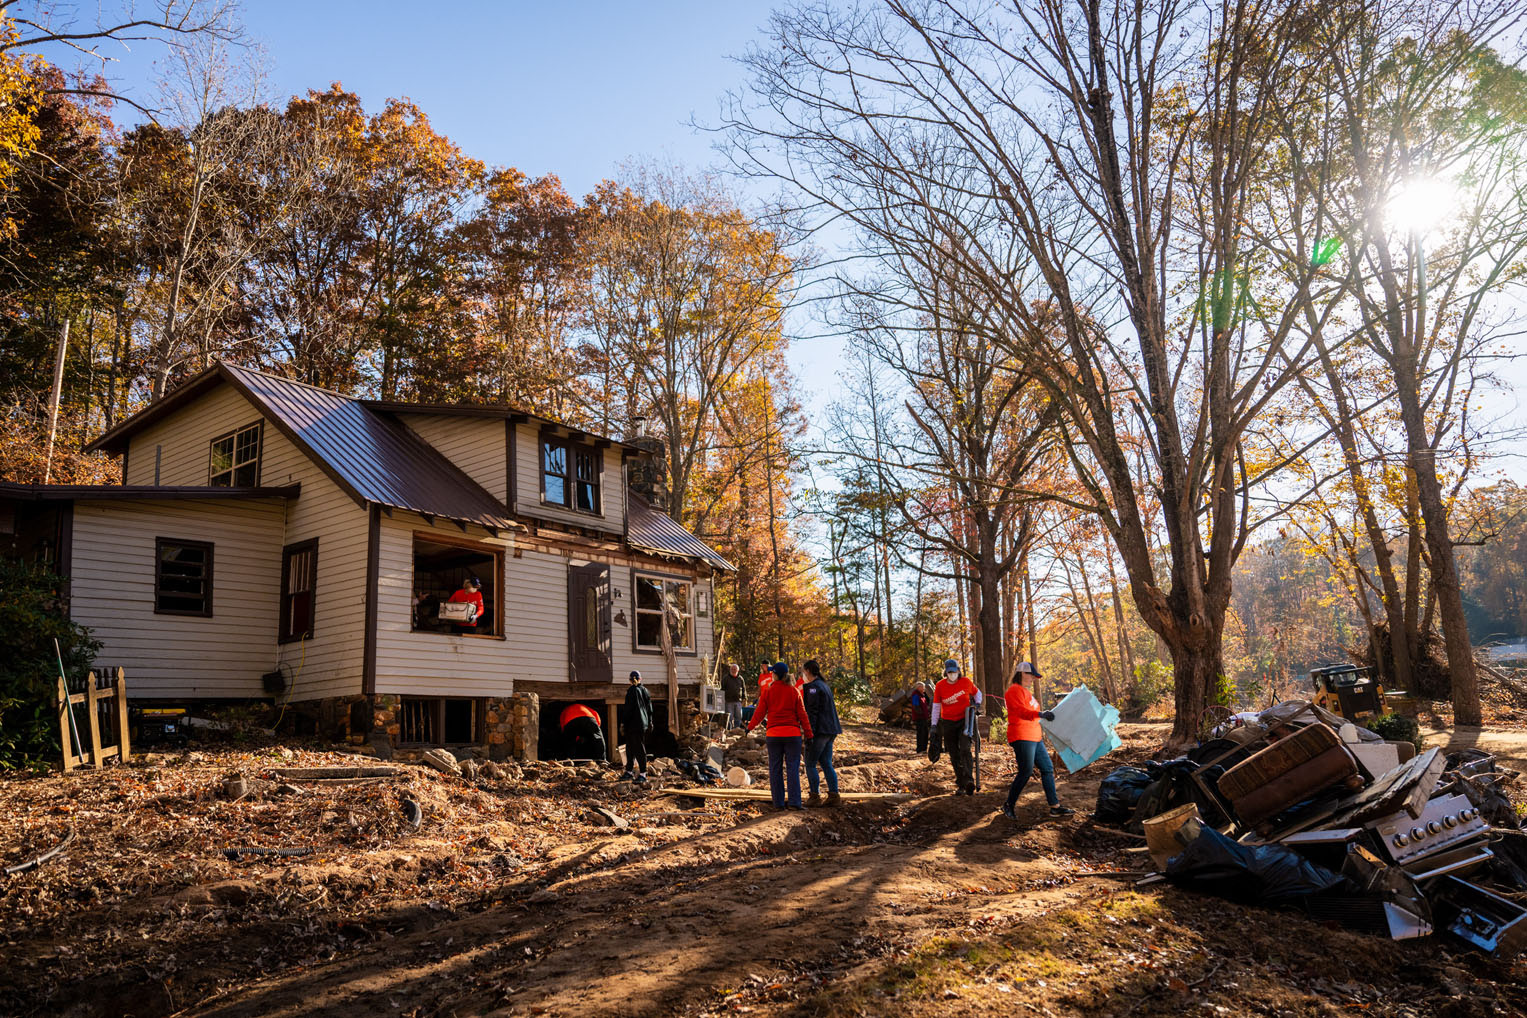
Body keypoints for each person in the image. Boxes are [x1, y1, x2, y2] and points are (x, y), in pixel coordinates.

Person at [1000, 662, 1075, 820]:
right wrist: (1041, 714)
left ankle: (1054, 807)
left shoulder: (1027, 693)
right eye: (1031, 675)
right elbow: (1021, 711)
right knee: (1026, 771)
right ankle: (1009, 804)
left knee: (1047, 768)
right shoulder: (1014, 691)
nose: (1033, 679)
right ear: (1022, 674)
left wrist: (1047, 718)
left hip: (1035, 736)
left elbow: (1033, 713)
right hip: (1021, 735)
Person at [747, 661, 813, 809]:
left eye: (772, 672)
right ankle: (795, 802)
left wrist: (749, 727)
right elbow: (803, 715)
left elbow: (759, 713)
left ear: (775, 675)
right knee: (792, 768)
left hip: (774, 735)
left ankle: (778, 803)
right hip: (792, 735)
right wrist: (809, 734)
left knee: (775, 769)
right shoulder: (794, 691)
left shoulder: (768, 692)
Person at [930, 658, 982, 795]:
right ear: (946, 673)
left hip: (965, 720)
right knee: (954, 753)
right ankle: (961, 783)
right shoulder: (940, 686)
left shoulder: (966, 682)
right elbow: (936, 707)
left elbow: (978, 694)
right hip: (948, 723)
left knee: (965, 748)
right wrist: (934, 725)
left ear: (958, 671)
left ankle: (969, 780)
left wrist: (977, 705)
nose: (952, 674)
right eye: (949, 672)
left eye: (954, 671)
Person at [800, 659, 842, 807]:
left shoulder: (813, 688)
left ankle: (814, 796)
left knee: (810, 763)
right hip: (831, 729)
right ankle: (833, 794)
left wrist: (809, 733)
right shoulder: (824, 685)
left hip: (820, 730)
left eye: (803, 671)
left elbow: (812, 712)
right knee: (825, 762)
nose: (802, 674)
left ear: (808, 671)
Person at [621, 670, 653, 783]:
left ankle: (643, 774)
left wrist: (623, 723)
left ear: (630, 680)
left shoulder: (631, 691)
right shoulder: (645, 691)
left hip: (632, 724)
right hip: (642, 724)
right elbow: (650, 709)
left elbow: (628, 710)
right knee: (633, 747)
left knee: (635, 748)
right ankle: (629, 771)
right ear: (640, 679)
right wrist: (650, 722)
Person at [721, 663, 747, 730]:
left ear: (738, 670)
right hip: (728, 701)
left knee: (738, 716)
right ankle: (729, 730)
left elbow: (744, 689)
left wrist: (745, 698)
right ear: (730, 670)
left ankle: (736, 729)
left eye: (735, 669)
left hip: (738, 701)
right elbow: (722, 689)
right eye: (732, 669)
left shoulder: (740, 679)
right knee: (729, 717)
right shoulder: (726, 678)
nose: (733, 670)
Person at [909, 681, 932, 753]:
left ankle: (924, 749)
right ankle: (920, 749)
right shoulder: (915, 695)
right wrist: (921, 713)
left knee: (925, 733)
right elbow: (916, 706)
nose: (924, 688)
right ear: (918, 687)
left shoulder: (922, 695)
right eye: (923, 687)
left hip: (924, 717)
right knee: (921, 733)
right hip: (919, 718)